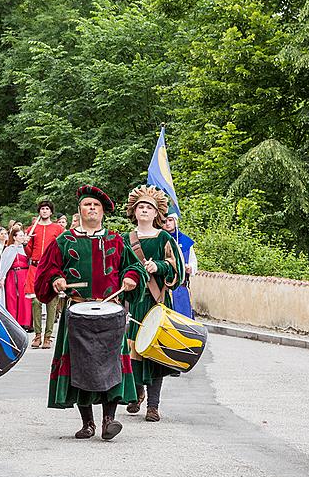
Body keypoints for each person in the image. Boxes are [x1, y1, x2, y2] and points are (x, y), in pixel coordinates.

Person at [35, 185, 147, 440]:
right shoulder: (64, 241)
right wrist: (56, 280)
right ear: (80, 210)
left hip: (111, 314)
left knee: (111, 367)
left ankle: (109, 421)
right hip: (77, 311)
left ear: (103, 212)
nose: (92, 208)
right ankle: (88, 423)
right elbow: (47, 271)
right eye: (88, 205)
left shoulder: (115, 240)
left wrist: (130, 278)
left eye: (96, 205)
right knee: (80, 367)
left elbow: (134, 268)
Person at [122, 185, 184, 423]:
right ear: (134, 211)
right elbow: (121, 269)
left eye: (149, 207)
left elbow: (176, 268)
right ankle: (137, 393)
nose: (145, 210)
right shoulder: (127, 239)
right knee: (135, 351)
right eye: (141, 207)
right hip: (136, 302)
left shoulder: (164, 238)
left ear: (157, 212)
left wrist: (159, 266)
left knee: (156, 353)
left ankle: (153, 405)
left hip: (158, 302)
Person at [25, 201, 65, 349]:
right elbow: (28, 252)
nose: (44, 211)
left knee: (52, 302)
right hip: (35, 267)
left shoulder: (58, 229)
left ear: (51, 212)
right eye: (42, 209)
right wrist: (25, 243)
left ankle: (48, 337)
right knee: (35, 302)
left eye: (47, 209)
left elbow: (62, 249)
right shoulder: (32, 229)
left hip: (51, 268)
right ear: (39, 211)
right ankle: (37, 335)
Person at [162, 205, 197, 319]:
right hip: (163, 288)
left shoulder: (185, 241)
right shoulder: (159, 239)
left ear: (175, 221)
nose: (167, 223)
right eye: (165, 221)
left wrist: (189, 267)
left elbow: (193, 262)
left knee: (183, 319)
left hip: (180, 288)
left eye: (170, 220)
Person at [0, 224, 32, 328]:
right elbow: (4, 265)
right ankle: (13, 321)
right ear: (15, 237)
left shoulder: (26, 249)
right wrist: (2, 277)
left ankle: (25, 322)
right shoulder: (8, 249)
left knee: (24, 298)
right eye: (20, 236)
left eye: (22, 235)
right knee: (11, 298)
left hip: (24, 275)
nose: (22, 237)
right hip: (11, 276)